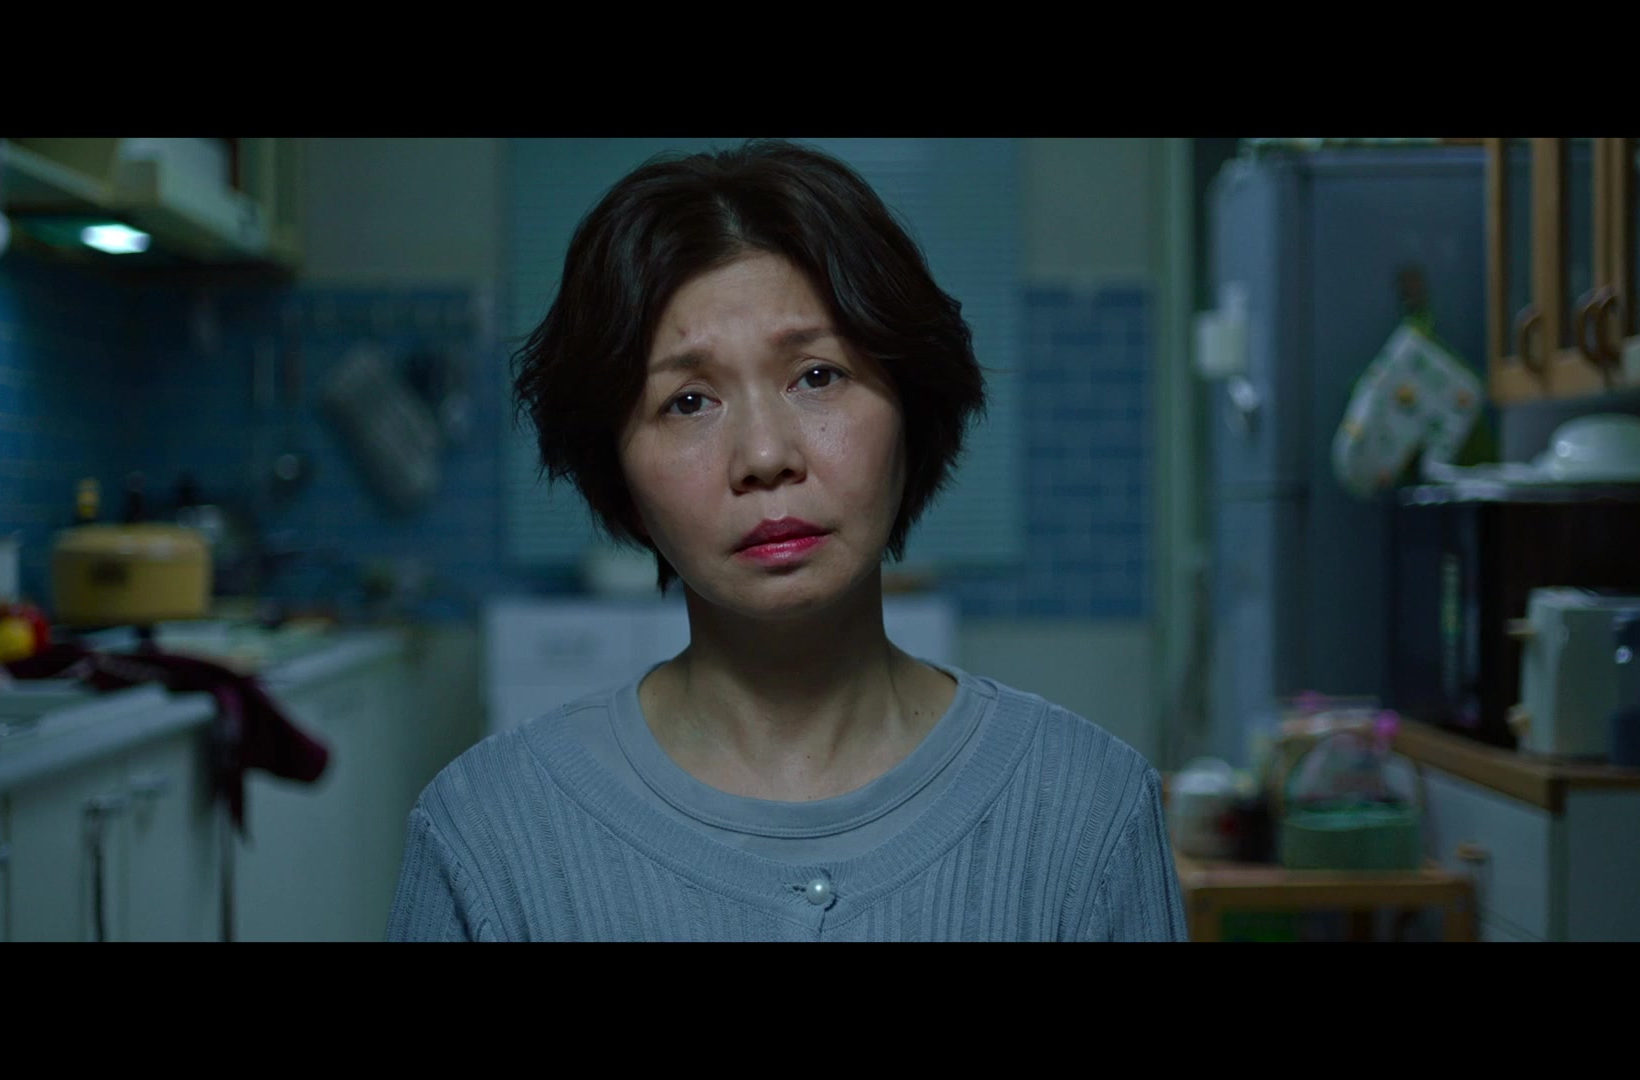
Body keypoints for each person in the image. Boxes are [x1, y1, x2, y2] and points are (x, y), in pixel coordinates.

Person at [388, 139, 1187, 941]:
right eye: (689, 401)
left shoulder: (1091, 812)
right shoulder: (485, 836)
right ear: (619, 476)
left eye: (817, 375)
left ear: (911, 414)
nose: (765, 456)